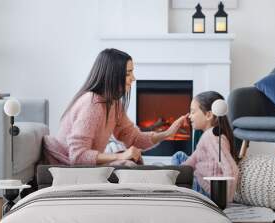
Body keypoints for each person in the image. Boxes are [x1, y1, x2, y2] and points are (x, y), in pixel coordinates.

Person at [43, 48, 184, 166]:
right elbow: (78, 156)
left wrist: (166, 134)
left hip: (81, 164)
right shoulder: (92, 104)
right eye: (128, 73)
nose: (133, 78)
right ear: (113, 75)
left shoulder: (114, 104)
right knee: (127, 163)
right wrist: (119, 157)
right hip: (63, 165)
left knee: (130, 161)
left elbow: (134, 138)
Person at [171, 91, 239, 202]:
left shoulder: (213, 138)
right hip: (202, 180)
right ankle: (173, 185)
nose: (189, 116)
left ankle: (173, 188)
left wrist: (226, 199)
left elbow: (232, 169)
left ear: (208, 115)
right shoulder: (208, 135)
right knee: (180, 157)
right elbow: (192, 162)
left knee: (177, 158)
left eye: (193, 112)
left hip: (207, 192)